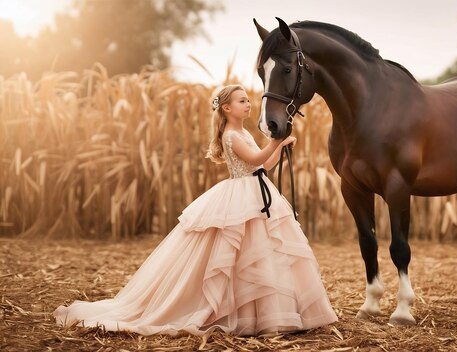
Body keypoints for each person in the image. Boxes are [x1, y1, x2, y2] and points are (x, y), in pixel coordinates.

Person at [53, 84, 338, 336]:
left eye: (247, 100)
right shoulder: (230, 135)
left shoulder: (243, 132)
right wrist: (275, 140)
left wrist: (280, 147)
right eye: (241, 101)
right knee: (238, 255)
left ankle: (261, 312)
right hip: (241, 197)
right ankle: (236, 313)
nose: (248, 104)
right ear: (226, 108)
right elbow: (254, 158)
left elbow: (262, 166)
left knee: (259, 255)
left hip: (256, 192)